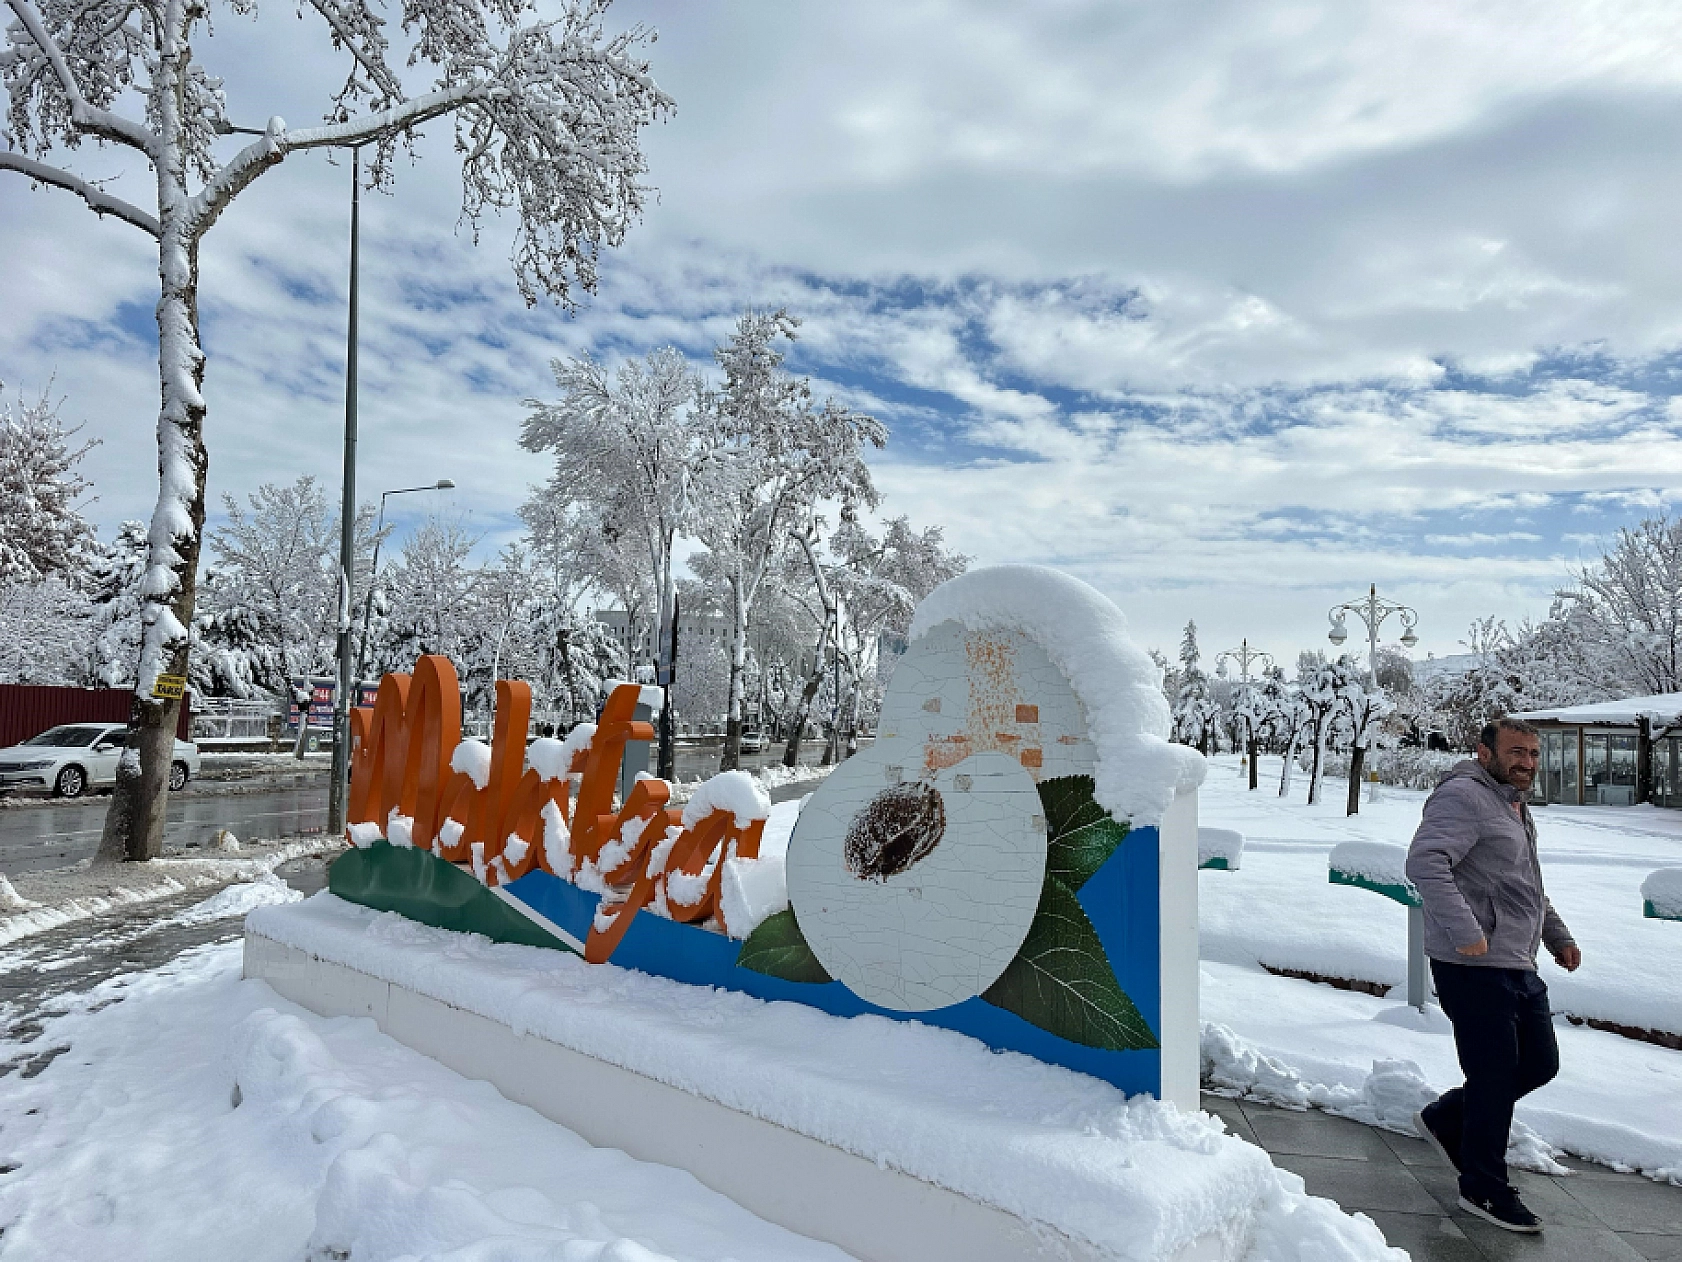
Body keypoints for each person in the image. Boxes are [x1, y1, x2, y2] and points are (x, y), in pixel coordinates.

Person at [1405, 716, 1581, 1234]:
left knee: (1539, 1064)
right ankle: (1482, 1186)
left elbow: (1526, 885)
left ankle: (1447, 1118)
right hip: (1471, 963)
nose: (1526, 761)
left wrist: (1558, 937)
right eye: (1515, 752)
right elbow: (1425, 862)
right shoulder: (1464, 796)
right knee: (1495, 1073)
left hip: (1515, 960)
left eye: (1532, 753)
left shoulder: (1512, 804)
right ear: (1484, 751)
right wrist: (1464, 929)